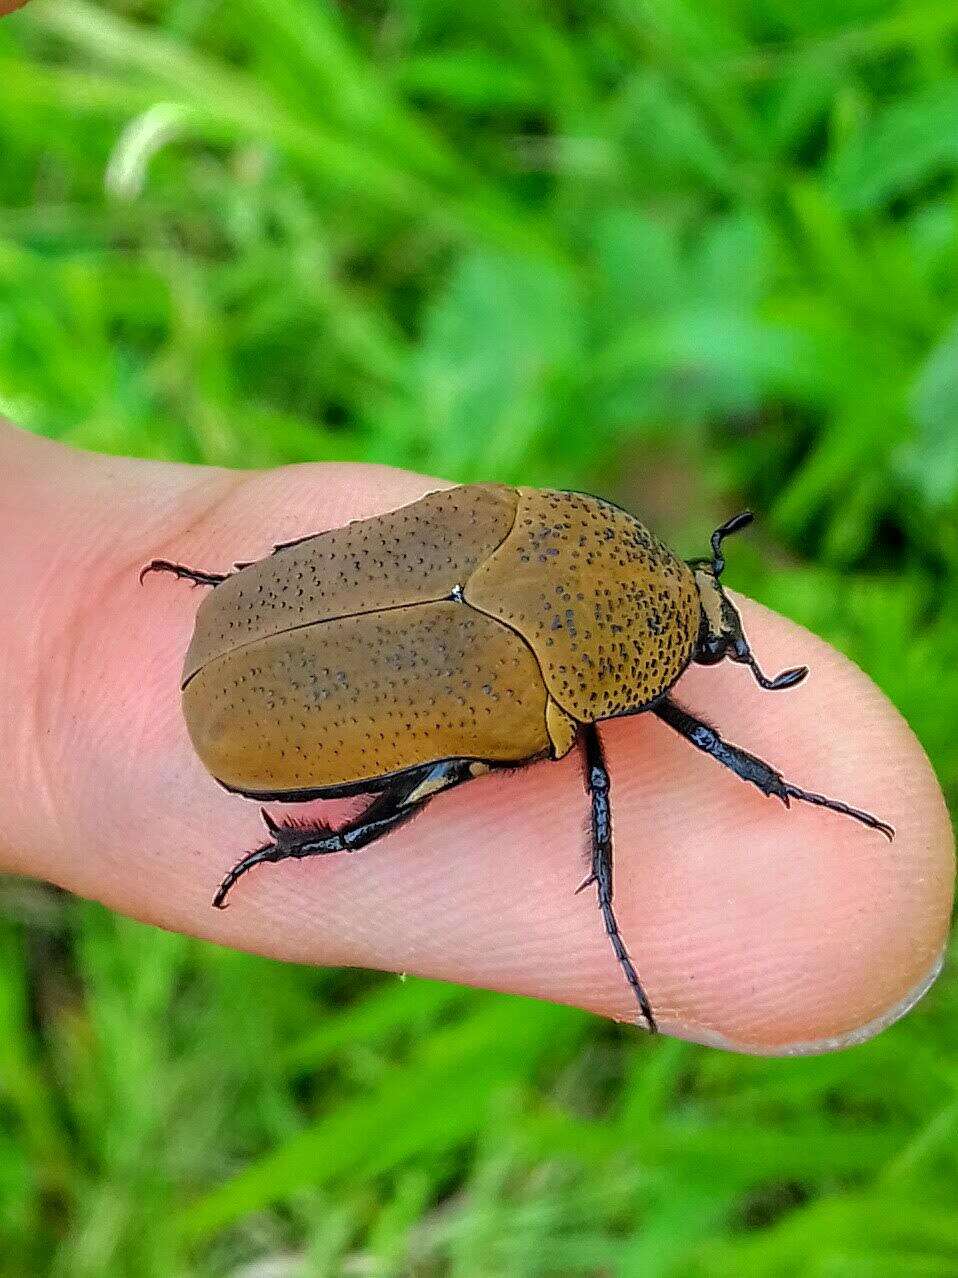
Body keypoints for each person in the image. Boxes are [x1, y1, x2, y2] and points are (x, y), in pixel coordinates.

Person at [0, 419, 952, 1053]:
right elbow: (649, 768)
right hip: (266, 694)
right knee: (382, 822)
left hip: (262, 666)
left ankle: (275, 834)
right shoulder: (570, 676)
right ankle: (283, 846)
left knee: (400, 806)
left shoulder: (529, 525)